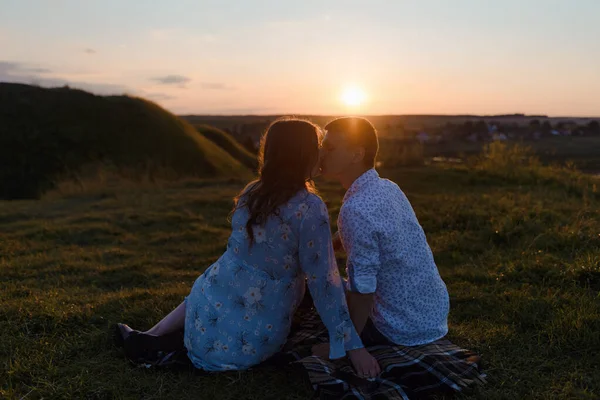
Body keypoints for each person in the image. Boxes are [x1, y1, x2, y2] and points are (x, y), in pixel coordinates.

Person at [115, 118, 380, 377]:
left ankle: (152, 336)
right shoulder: (309, 208)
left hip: (204, 318)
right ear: (302, 154)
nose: (322, 153)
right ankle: (152, 338)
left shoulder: (252, 192)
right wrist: (351, 345)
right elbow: (324, 281)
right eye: (318, 147)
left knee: (226, 266)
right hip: (251, 344)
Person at [314, 116, 450, 354]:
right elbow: (374, 232)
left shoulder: (355, 209)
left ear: (356, 154)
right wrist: (334, 241)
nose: (321, 154)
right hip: (431, 315)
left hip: (398, 328)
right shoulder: (388, 187)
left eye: (330, 148)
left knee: (318, 289)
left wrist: (349, 345)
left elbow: (364, 288)